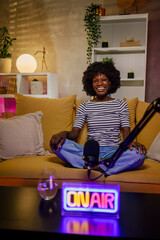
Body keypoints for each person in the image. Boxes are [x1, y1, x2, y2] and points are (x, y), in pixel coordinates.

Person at [50, 61, 146, 175]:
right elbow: (74, 134)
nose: (100, 83)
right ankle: (106, 166)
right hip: (91, 152)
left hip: (115, 151)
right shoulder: (84, 106)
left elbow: (126, 131)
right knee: (55, 145)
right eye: (96, 81)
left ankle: (92, 166)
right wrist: (63, 133)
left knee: (139, 154)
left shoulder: (121, 104)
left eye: (103, 80)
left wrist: (131, 143)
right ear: (91, 84)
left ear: (110, 82)